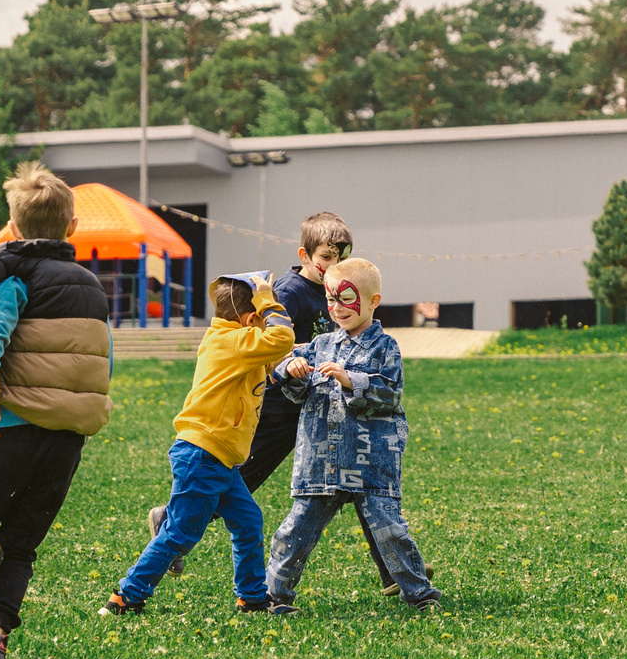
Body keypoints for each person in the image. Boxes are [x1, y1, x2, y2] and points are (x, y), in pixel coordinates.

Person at [0, 162, 114, 659]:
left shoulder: (16, 274)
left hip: (7, 425)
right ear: (72, 228)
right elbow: (102, 358)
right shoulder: (91, 286)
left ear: (12, 229)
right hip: (64, 440)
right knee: (21, 547)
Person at [102, 272, 294, 617]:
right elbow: (282, 338)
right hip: (204, 454)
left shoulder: (234, 341)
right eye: (263, 315)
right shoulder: (232, 341)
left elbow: (270, 362)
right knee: (181, 534)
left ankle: (251, 599)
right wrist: (267, 297)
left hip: (218, 456)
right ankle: (126, 596)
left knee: (248, 521)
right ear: (252, 320)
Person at [236, 211, 401, 594]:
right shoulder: (292, 293)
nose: (335, 266)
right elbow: (271, 343)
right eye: (327, 258)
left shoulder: (338, 290)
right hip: (280, 406)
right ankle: (173, 521)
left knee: (361, 482)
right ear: (305, 255)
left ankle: (391, 571)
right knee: (240, 479)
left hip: (320, 406)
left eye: (342, 257)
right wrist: (293, 363)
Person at [264, 256, 440, 611]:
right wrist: (292, 370)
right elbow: (296, 389)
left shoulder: (385, 347)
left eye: (346, 299)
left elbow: (389, 393)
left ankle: (419, 593)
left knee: (391, 532)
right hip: (320, 463)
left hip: (370, 462)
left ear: (373, 301)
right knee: (293, 534)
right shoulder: (320, 345)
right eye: (330, 300)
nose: (337, 308)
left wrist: (350, 380)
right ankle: (274, 596)